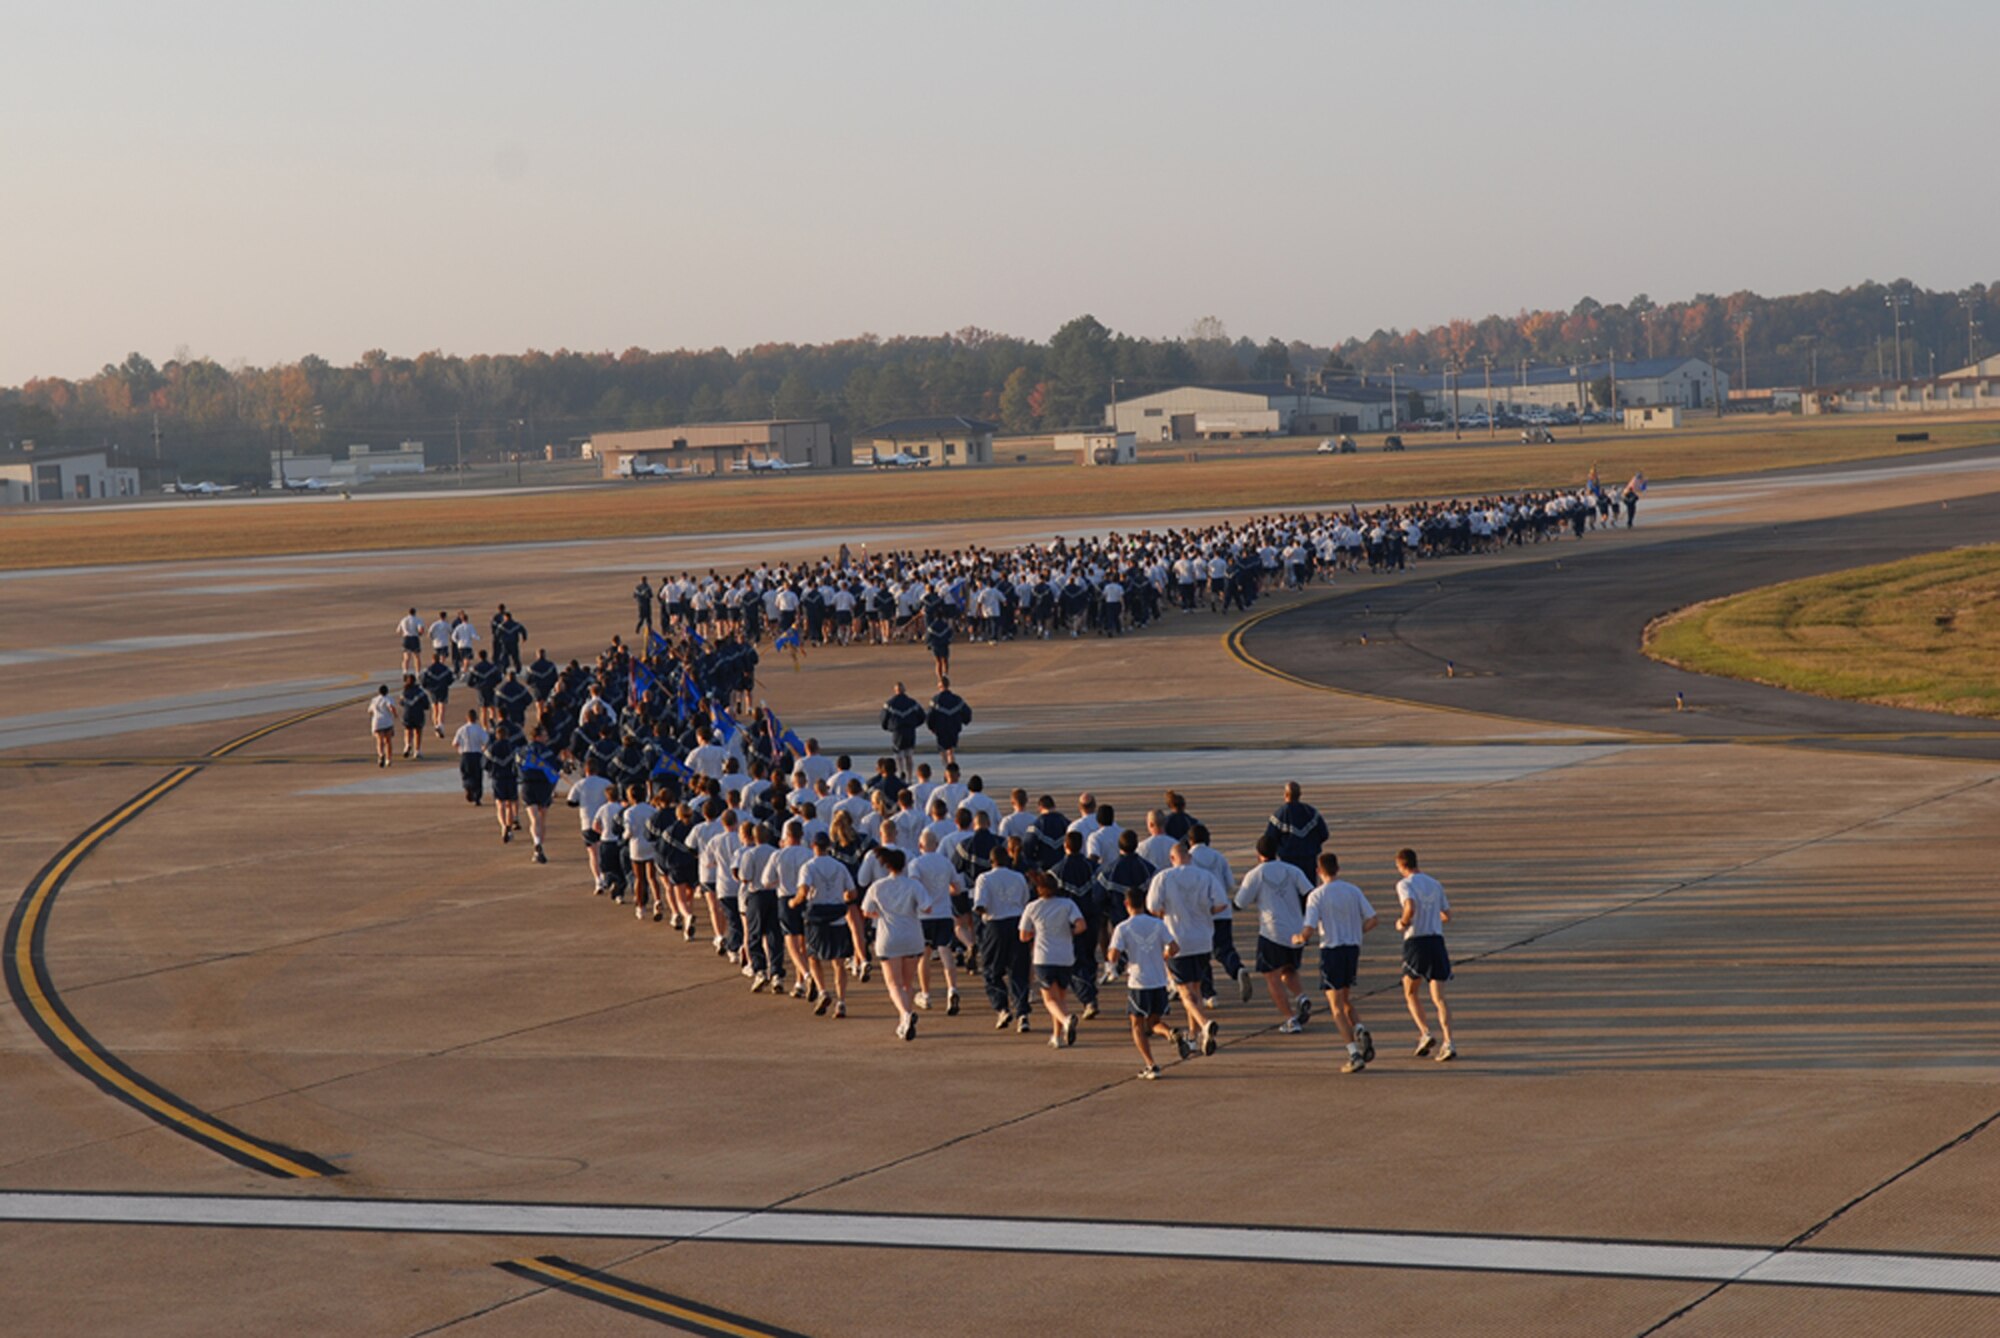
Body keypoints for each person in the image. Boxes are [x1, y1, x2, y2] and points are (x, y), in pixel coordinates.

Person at [1294, 852, 1378, 1074]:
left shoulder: (1317, 895)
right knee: (1346, 998)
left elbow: (1309, 928)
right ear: (1338, 868)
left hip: (1332, 950)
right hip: (1352, 949)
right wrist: (1357, 931)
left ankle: (1353, 1053)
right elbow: (1373, 919)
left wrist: (1299, 938)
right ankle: (1360, 1028)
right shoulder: (1353, 890)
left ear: (1318, 871)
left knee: (1336, 1007)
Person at [1145, 841, 1227, 1055]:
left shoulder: (1163, 877)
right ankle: (1194, 1035)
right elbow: (1221, 904)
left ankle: (1204, 1023)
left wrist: (1166, 913)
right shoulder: (1206, 876)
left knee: (1184, 991)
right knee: (1196, 988)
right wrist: (1205, 911)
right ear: (1189, 856)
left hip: (1178, 939)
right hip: (1202, 939)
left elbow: (1152, 907)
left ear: (1172, 858)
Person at [1108, 885, 1192, 1079]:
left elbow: (1113, 955)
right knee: (1154, 1022)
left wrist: (1113, 959)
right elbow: (1174, 947)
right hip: (1158, 981)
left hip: (1139, 982)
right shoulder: (1158, 924)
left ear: (1126, 904)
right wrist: (1163, 954)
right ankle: (1171, 1033)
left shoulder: (1123, 928)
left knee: (1137, 1026)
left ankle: (1151, 1064)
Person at [1235, 833, 1314, 1033]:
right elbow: (1310, 893)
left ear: (1258, 853)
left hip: (1272, 932)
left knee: (1272, 976)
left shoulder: (1256, 874)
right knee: (1289, 969)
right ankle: (1301, 997)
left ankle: (1290, 1019)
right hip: (1296, 929)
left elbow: (1240, 902)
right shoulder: (1292, 870)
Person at [1395, 847, 1457, 1061]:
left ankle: (1425, 1032)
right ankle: (1449, 1041)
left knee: (1411, 991)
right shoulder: (1434, 883)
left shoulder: (1404, 884)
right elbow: (1447, 915)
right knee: (1439, 997)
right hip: (1436, 940)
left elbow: (1409, 906)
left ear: (1402, 865)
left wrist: (1403, 922)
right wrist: (1432, 917)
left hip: (1416, 941)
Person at [861, 846, 928, 1040]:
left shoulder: (878, 886)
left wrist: (879, 914)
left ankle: (905, 1015)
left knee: (893, 984)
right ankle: (904, 1019)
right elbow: (927, 907)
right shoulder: (914, 885)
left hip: (888, 937)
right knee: (907, 983)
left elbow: (866, 910)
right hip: (912, 936)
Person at [1019, 870, 1086, 1049]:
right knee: (1060, 998)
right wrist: (1069, 932)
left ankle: (1065, 1021)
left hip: (1044, 957)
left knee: (1049, 1000)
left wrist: (1035, 933)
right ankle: (1057, 1036)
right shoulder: (1068, 904)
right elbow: (1081, 925)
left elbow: (1023, 935)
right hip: (1065, 956)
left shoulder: (1033, 907)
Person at [971, 845, 1033, 1032]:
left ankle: (1002, 1007)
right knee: (1019, 971)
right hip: (1017, 923)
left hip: (995, 925)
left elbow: (980, 905)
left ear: (991, 861)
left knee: (992, 970)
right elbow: (1025, 902)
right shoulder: (1018, 877)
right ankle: (1022, 1013)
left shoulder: (984, 878)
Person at [795, 832, 855, 1018]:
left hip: (817, 917)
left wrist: (794, 901)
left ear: (813, 845)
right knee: (838, 962)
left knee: (813, 957)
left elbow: (804, 890)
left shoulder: (808, 867)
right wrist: (842, 897)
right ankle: (841, 1001)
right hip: (837, 916)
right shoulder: (840, 866)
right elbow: (852, 893)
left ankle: (822, 990)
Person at [908, 828, 962, 1016]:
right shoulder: (945, 863)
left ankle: (926, 993)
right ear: (937, 844)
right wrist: (945, 893)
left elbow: (914, 886)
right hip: (944, 912)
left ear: (920, 845)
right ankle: (952, 989)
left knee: (925, 955)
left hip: (924, 915)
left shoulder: (915, 864)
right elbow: (957, 886)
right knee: (946, 952)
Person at [1263, 781, 1329, 879]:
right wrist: (1312, 845)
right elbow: (1324, 834)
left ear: (1285, 795)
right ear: (1300, 795)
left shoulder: (1279, 815)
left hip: (1287, 860)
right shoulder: (1311, 813)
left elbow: (1269, 840)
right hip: (1309, 859)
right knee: (1309, 889)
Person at [881, 680, 925, 779]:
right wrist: (915, 724)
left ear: (895, 690)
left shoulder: (890, 704)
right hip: (910, 731)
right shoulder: (912, 703)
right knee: (909, 755)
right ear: (904, 690)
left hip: (897, 732)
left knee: (898, 755)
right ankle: (909, 776)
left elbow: (883, 718)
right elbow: (922, 716)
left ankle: (901, 772)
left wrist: (888, 727)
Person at [926, 676, 972, 768]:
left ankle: (947, 769)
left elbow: (930, 716)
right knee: (951, 751)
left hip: (941, 729)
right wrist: (964, 721)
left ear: (939, 686)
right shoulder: (957, 699)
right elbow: (967, 712)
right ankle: (952, 769)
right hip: (953, 728)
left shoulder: (935, 700)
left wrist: (931, 727)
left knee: (943, 750)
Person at [451, 708, 489, 805]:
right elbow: (486, 741)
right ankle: (477, 797)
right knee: (477, 776)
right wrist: (483, 750)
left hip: (465, 754)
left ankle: (468, 787)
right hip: (476, 754)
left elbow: (455, 743)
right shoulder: (479, 729)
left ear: (467, 718)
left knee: (466, 774)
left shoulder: (461, 729)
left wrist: (459, 750)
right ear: (476, 718)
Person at [421, 651, 456, 738]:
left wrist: (428, 687)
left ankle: (436, 726)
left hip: (433, 690)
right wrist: (446, 684)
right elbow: (451, 679)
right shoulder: (445, 668)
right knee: (441, 709)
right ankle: (440, 725)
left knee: (434, 709)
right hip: (443, 689)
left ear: (432, 660)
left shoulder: (428, 670)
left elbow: (423, 681)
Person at [397, 673, 429, 759]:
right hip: (418, 714)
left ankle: (407, 745)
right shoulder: (420, 692)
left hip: (407, 714)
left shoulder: (404, 692)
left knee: (408, 730)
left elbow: (401, 702)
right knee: (418, 732)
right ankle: (417, 750)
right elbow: (427, 704)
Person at [366, 686, 397, 767]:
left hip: (377, 722)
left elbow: (369, 710)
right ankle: (388, 759)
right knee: (388, 741)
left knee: (379, 741)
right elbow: (391, 707)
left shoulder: (374, 700)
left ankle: (381, 755)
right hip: (387, 722)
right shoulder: (388, 698)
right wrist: (395, 714)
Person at [396, 607, 424, 673]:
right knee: (416, 657)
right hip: (414, 638)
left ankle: (405, 672)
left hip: (406, 638)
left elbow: (398, 631)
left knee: (406, 657)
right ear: (415, 612)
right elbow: (420, 629)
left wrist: (404, 633)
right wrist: (420, 634)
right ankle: (417, 672)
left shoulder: (403, 619)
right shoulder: (418, 619)